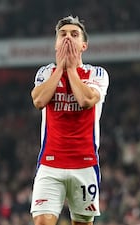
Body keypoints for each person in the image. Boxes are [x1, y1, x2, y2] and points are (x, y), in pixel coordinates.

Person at [30, 15, 109, 225]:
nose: (67, 39)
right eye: (62, 35)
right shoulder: (45, 73)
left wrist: (71, 69)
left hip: (85, 164)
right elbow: (38, 100)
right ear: (56, 44)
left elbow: (85, 100)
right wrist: (60, 68)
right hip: (50, 163)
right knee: (41, 222)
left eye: (74, 35)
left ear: (83, 45)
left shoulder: (97, 74)